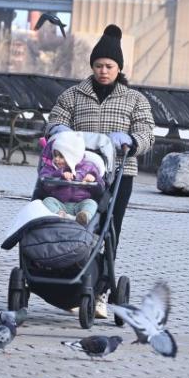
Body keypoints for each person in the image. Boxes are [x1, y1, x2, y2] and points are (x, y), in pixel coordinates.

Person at [45, 23, 154, 317]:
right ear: (91, 66)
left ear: (119, 68)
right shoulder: (73, 95)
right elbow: (56, 119)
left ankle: (101, 289)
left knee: (108, 230)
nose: (103, 71)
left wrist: (131, 140)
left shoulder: (135, 101)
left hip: (119, 175)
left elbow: (147, 134)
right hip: (77, 174)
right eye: (98, 65)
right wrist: (58, 129)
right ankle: (69, 280)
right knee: (74, 224)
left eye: (109, 66)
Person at [38, 131, 104, 227]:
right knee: (47, 201)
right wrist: (60, 174)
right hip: (60, 203)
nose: (56, 159)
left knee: (92, 203)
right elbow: (44, 182)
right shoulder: (52, 168)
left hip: (80, 204)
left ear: (72, 156)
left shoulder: (88, 167)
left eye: (61, 156)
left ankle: (83, 217)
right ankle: (60, 215)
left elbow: (100, 188)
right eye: (55, 155)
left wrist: (94, 178)